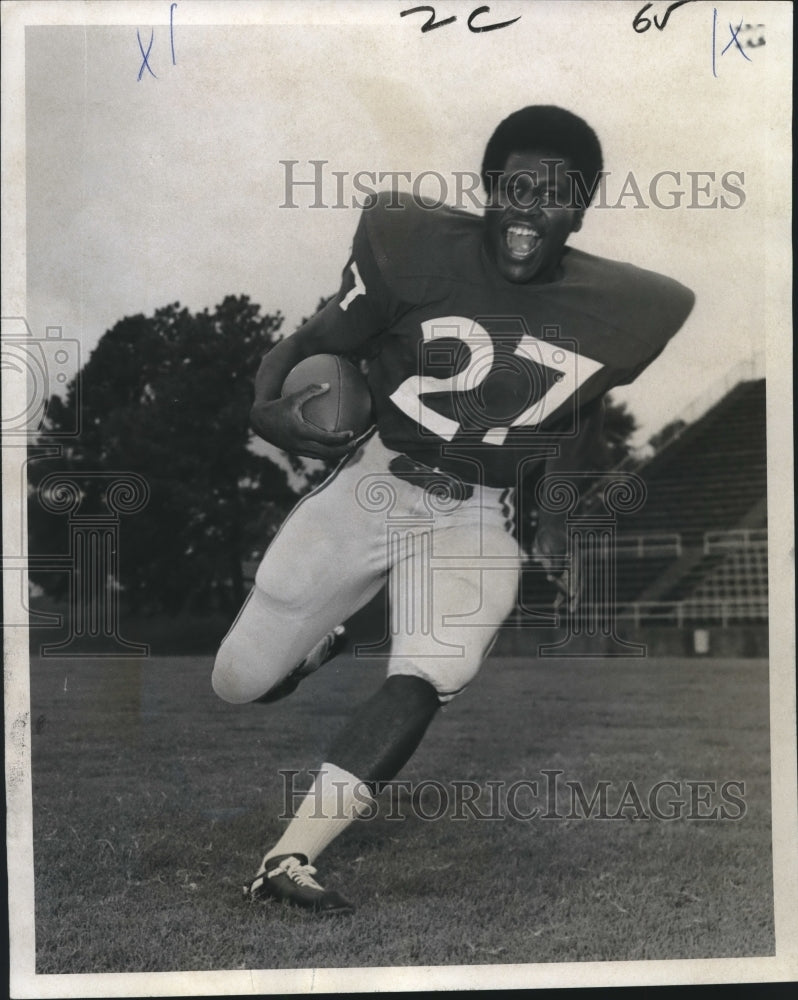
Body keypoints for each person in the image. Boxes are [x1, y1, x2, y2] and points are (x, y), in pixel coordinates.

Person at [212, 106, 695, 914]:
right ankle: (330, 639)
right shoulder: (410, 245)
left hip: (479, 509)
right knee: (240, 683)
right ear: (488, 189)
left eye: (556, 193)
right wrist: (265, 405)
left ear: (581, 209)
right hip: (377, 479)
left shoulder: (633, 308)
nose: (529, 206)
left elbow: (575, 415)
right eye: (516, 186)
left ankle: (288, 857)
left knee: (434, 670)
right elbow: (309, 341)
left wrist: (551, 516)